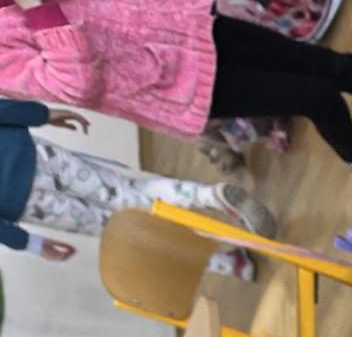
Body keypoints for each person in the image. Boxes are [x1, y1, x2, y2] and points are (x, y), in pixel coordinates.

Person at [0, 0, 352, 179]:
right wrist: (36, 5)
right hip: (175, 86)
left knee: (330, 65)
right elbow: (75, 84)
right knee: (318, 96)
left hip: (188, 27)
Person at [0, 97, 270, 273]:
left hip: (23, 204)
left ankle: (228, 264)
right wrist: (42, 114)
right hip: (33, 155)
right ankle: (209, 196)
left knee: (120, 226)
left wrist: (30, 243)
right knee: (126, 190)